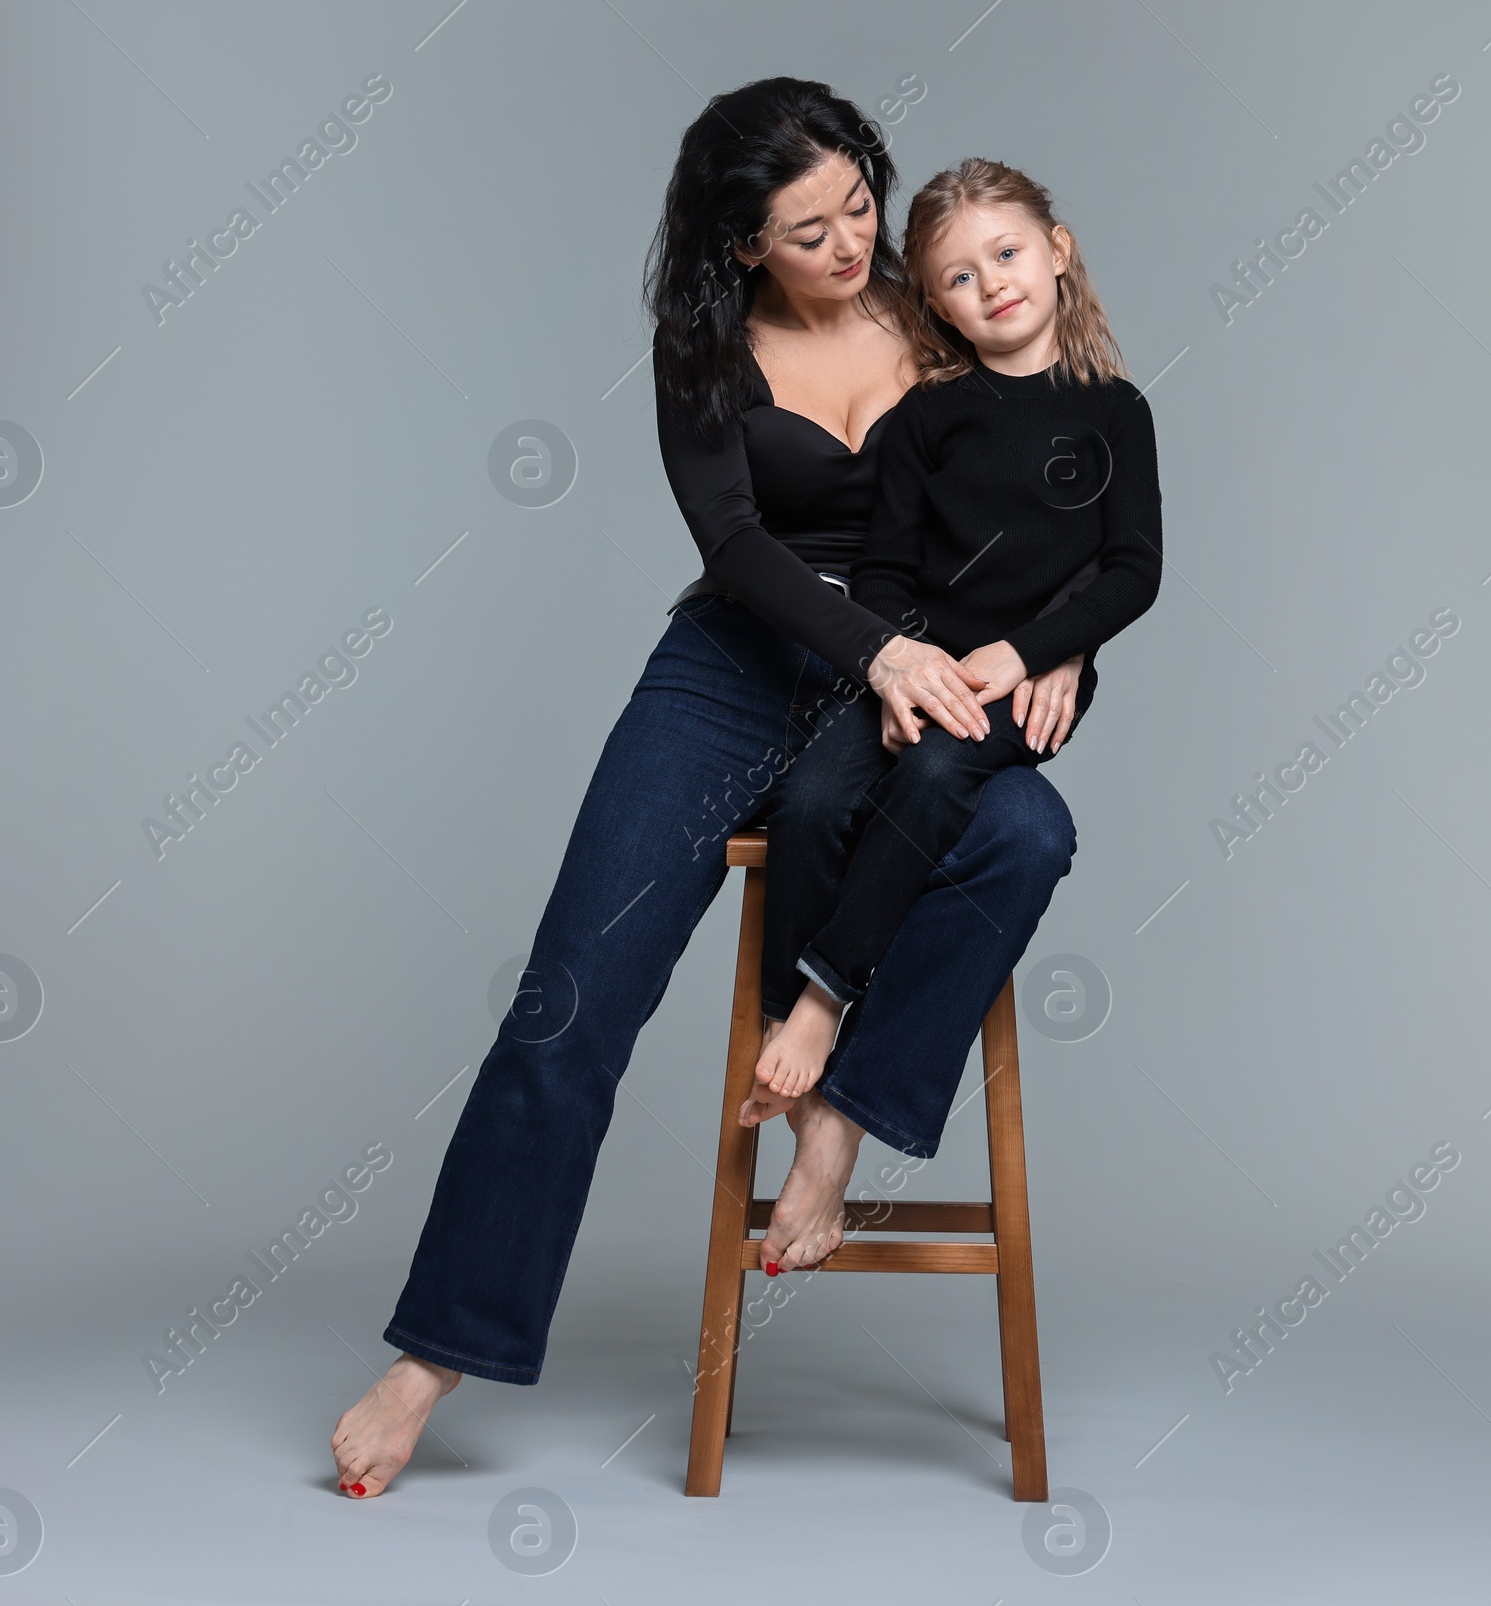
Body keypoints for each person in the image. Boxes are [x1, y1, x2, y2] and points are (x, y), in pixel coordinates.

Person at [330, 82, 1083, 1499]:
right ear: (743, 245)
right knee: (569, 999)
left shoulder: (934, 312)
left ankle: (841, 1110)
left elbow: (1057, 484)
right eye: (811, 230)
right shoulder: (706, 353)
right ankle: (435, 1354)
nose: (855, 239)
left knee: (1031, 833)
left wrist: (1067, 644)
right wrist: (877, 651)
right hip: (740, 672)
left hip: (925, 679)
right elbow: (736, 544)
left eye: (862, 202)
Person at [754, 157, 1163, 1109]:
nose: (995, 284)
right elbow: (885, 571)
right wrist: (907, 674)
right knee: (813, 796)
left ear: (1058, 251)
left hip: (1021, 680)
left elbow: (1133, 569)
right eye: (961, 278)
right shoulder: (926, 418)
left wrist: (1033, 650)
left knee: (938, 775)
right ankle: (784, 1025)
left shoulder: (1116, 412)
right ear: (937, 307)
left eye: (1008, 252)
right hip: (917, 663)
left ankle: (821, 998)